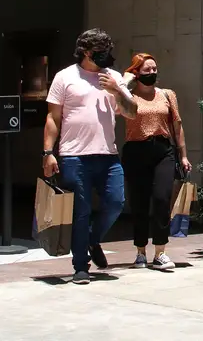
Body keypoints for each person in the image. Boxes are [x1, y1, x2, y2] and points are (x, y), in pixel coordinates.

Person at [42, 28, 138, 284]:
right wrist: (48, 152)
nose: (106, 56)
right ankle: (80, 266)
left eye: (108, 51)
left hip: (107, 154)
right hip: (74, 155)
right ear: (86, 52)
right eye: (100, 52)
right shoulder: (65, 77)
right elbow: (53, 118)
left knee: (116, 202)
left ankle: (94, 239)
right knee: (80, 212)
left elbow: (131, 113)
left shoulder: (113, 77)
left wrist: (117, 90)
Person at [122, 52, 191, 270]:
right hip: (136, 149)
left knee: (162, 199)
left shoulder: (167, 95)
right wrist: (126, 80)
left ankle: (160, 251)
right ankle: (140, 252)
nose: (152, 73)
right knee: (139, 202)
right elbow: (119, 103)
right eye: (146, 70)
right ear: (136, 73)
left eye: (154, 69)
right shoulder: (128, 96)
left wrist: (184, 155)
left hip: (163, 149)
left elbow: (177, 126)